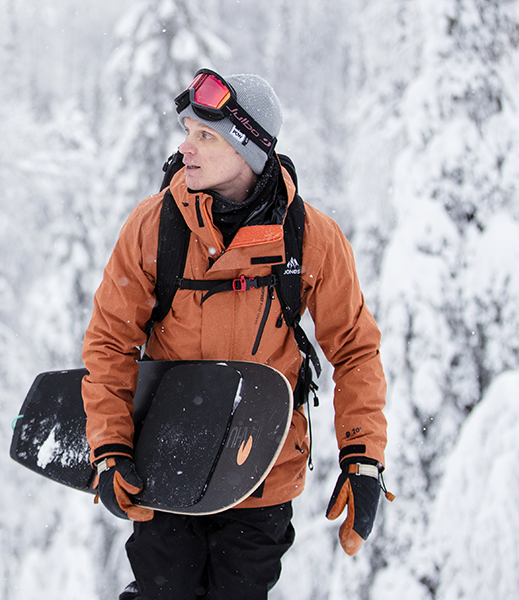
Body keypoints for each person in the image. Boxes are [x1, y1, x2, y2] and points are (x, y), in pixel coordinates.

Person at [81, 68, 389, 600]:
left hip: (261, 473)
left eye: (206, 136)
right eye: (187, 131)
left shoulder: (310, 238)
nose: (187, 148)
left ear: (247, 149)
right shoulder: (154, 227)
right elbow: (111, 341)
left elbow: (355, 348)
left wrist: (362, 455)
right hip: (165, 467)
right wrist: (109, 445)